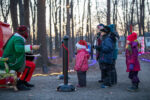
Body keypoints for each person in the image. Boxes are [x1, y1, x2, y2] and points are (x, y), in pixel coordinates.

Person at [0, 25, 40, 90]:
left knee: (29, 64)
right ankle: (20, 83)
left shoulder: (16, 37)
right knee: (30, 65)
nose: (27, 33)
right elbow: (18, 49)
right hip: (10, 62)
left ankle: (24, 81)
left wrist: (28, 51)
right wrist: (31, 47)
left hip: (11, 60)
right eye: (27, 31)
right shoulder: (18, 38)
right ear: (24, 32)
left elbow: (16, 50)